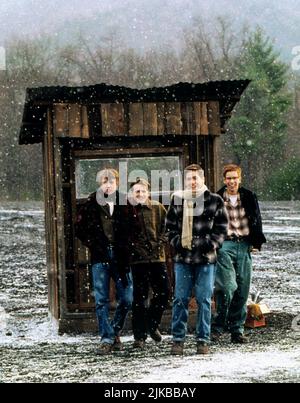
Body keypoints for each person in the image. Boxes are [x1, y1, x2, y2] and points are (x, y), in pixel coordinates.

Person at [166, 164, 228, 355]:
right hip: (183, 259)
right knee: (180, 299)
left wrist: (207, 243)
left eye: (195, 179)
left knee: (204, 300)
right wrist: (180, 242)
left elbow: (222, 229)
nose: (192, 182)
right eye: (188, 179)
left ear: (202, 179)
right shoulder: (177, 199)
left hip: (206, 259)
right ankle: (178, 340)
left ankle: (203, 340)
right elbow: (169, 229)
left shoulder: (215, 200)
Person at [75, 168, 133, 355]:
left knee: (127, 298)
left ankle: (114, 330)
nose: (108, 185)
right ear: (100, 184)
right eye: (104, 182)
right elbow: (79, 228)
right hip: (100, 256)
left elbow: (136, 227)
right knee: (101, 300)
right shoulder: (91, 202)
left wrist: (127, 245)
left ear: (117, 183)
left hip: (121, 256)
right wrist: (94, 244)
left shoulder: (125, 201)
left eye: (112, 182)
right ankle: (106, 339)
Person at [212, 164, 266, 343]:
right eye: (229, 178)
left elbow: (256, 218)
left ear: (239, 179)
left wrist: (256, 241)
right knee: (227, 287)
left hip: (244, 244)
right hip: (224, 245)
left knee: (243, 288)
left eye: (235, 178)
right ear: (224, 180)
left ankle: (237, 329)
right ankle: (218, 326)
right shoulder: (217, 198)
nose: (232, 181)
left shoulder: (249, 196)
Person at [121, 179, 170, 349]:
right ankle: (139, 337)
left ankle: (151, 323)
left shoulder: (157, 208)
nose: (140, 194)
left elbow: (168, 228)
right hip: (138, 261)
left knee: (164, 292)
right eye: (136, 192)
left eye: (143, 191)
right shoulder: (129, 211)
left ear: (148, 192)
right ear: (131, 194)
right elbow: (125, 235)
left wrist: (160, 242)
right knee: (139, 298)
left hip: (157, 258)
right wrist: (135, 248)